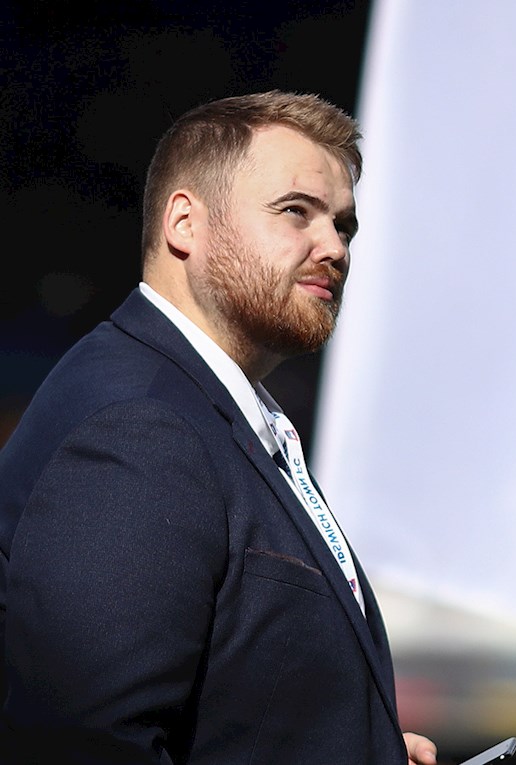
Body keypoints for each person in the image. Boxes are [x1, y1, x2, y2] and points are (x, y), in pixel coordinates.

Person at [0, 91, 438, 765]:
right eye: (296, 211)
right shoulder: (140, 426)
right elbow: (86, 745)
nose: (334, 248)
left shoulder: (210, 409)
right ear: (185, 222)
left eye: (344, 226)